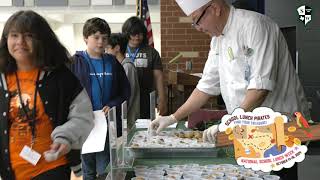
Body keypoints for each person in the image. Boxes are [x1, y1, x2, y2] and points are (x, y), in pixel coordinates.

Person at [149, 1, 310, 179]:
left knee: (277, 175)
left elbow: (259, 89)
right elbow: (205, 87)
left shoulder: (255, 26)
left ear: (215, 8)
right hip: (247, 129)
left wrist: (229, 123)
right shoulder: (218, 39)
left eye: (197, 20)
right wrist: (173, 118)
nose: (197, 28)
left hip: (279, 128)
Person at [0, 10, 94, 180]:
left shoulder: (61, 77)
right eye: (14, 35)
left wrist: (65, 137)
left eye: (28, 36)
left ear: (41, 40)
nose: (20, 42)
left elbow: (84, 116)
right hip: (11, 171)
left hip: (52, 167)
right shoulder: (2, 79)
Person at [70, 18, 130, 180]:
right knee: (87, 170)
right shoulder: (75, 62)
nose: (101, 42)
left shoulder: (112, 62)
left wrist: (112, 104)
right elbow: (66, 93)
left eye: (104, 38)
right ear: (85, 38)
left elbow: (125, 91)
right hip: (83, 124)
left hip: (105, 123)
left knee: (105, 169)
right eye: (96, 37)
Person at [122, 16, 167, 119]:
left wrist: (162, 98)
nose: (137, 37)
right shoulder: (120, 50)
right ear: (127, 33)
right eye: (133, 34)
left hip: (145, 97)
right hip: (125, 97)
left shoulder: (151, 52)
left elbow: (158, 77)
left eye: (140, 34)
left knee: (144, 127)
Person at [106, 33, 140, 130]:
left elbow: (129, 96)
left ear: (116, 48)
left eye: (107, 48)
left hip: (128, 121)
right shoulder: (117, 66)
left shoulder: (127, 67)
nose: (105, 51)